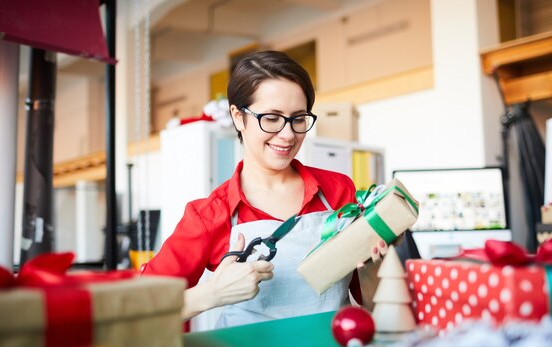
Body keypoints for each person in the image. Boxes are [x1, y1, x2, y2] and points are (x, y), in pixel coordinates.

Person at [143, 50, 386, 328]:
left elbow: (370, 301)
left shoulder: (337, 191)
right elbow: (138, 310)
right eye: (271, 118)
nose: (288, 134)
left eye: (298, 119)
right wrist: (211, 293)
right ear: (238, 117)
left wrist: (374, 267)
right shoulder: (210, 215)